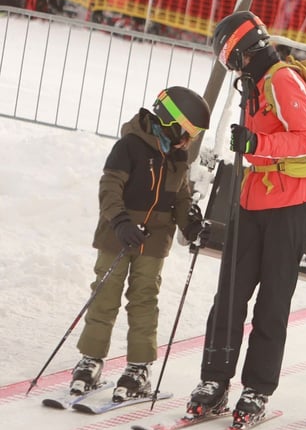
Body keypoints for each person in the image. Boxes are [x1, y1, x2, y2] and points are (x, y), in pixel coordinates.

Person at [186, 12, 306, 425]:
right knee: (230, 295)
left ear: (245, 53)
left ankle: (257, 388)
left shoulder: (282, 80)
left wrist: (257, 141)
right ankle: (215, 380)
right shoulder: (255, 83)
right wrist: (252, 145)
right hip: (255, 199)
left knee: (271, 303)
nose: (232, 69)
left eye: (232, 60)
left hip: (291, 204)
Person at [69, 88, 212, 399]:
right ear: (172, 122)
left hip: (154, 239)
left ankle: (138, 366)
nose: (190, 140)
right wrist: (120, 222)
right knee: (105, 294)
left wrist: (191, 225)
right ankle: (90, 359)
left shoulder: (177, 156)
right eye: (189, 132)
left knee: (144, 299)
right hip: (117, 235)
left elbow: (180, 197)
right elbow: (110, 186)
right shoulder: (129, 146)